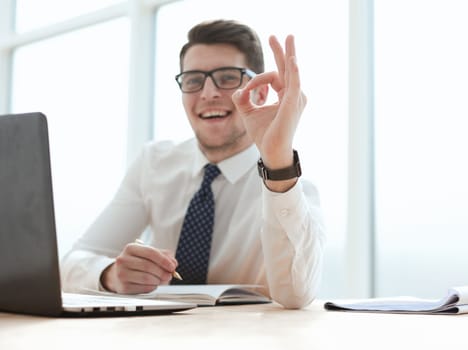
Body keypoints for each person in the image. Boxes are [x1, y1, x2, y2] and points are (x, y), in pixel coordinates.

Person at [61, 19, 325, 309]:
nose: (208, 93)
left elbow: (296, 295)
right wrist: (110, 275)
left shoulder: (289, 186)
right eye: (193, 80)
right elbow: (72, 263)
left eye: (227, 78)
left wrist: (277, 161)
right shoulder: (155, 163)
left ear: (260, 92)